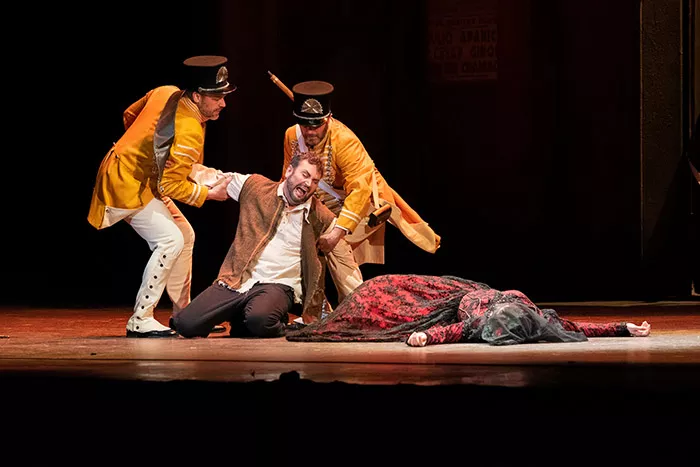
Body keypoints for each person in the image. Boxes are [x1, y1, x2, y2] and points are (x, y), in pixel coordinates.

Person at [87, 55, 236, 337]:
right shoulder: (189, 130)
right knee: (170, 240)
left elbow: (129, 115)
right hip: (127, 183)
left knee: (185, 235)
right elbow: (170, 185)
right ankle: (140, 318)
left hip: (141, 178)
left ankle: (184, 315)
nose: (223, 104)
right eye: (217, 97)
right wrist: (208, 194)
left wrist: (144, 150)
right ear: (197, 96)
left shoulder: (166, 91)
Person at [280, 80, 441, 305]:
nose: (310, 131)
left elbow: (360, 189)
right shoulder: (292, 136)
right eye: (305, 124)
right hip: (322, 205)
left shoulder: (344, 140)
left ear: (328, 118)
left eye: (316, 125)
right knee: (300, 243)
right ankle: (316, 310)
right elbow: (287, 177)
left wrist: (337, 231)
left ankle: (358, 306)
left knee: (336, 245)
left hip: (363, 203)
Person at [172, 151, 336, 338]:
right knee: (186, 324)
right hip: (237, 281)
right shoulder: (256, 187)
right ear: (289, 171)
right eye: (305, 175)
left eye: (315, 181)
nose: (308, 184)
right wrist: (181, 167)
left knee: (260, 320)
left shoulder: (317, 213)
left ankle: (283, 327)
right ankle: (241, 318)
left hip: (278, 284)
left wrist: (339, 233)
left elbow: (340, 231)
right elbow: (217, 177)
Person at [285, 274, 651, 345]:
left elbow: (454, 331)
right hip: (449, 293)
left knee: (379, 303)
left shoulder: (494, 323)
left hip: (444, 307)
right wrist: (621, 326)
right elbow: (573, 325)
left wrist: (425, 336)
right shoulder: (526, 315)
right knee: (384, 290)